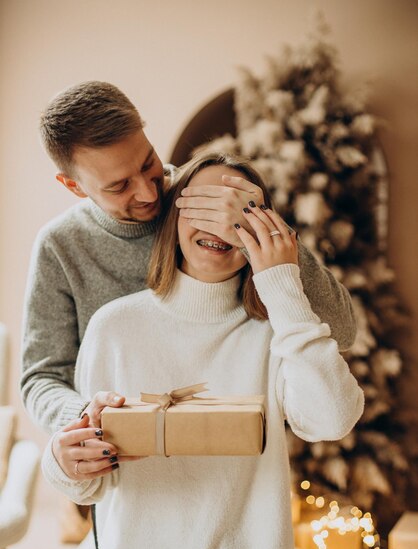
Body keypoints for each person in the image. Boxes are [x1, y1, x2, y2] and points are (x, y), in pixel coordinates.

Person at [42, 153, 364, 549]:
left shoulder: (278, 332)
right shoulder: (114, 327)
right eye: (206, 205)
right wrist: (62, 460)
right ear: (175, 213)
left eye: (242, 214)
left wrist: (281, 283)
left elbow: (333, 420)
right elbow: (92, 480)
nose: (222, 225)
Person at [21, 81, 356, 441]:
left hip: (236, 446)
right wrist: (88, 420)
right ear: (73, 186)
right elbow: (42, 377)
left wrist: (264, 226)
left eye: (148, 162)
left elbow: (342, 332)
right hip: (121, 457)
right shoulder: (61, 246)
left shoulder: (216, 201)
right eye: (119, 186)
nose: (150, 193)